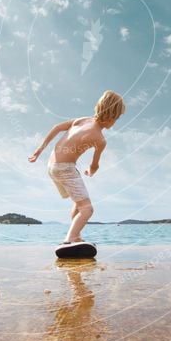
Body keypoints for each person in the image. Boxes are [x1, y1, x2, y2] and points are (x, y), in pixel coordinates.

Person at [28, 90, 125, 244]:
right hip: (65, 169)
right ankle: (70, 239)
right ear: (112, 117)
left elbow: (57, 127)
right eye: (117, 118)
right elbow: (95, 165)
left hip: (52, 166)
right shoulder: (100, 140)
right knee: (87, 209)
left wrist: (40, 150)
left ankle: (76, 236)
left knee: (78, 202)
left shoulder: (81, 120)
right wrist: (91, 171)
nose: (116, 121)